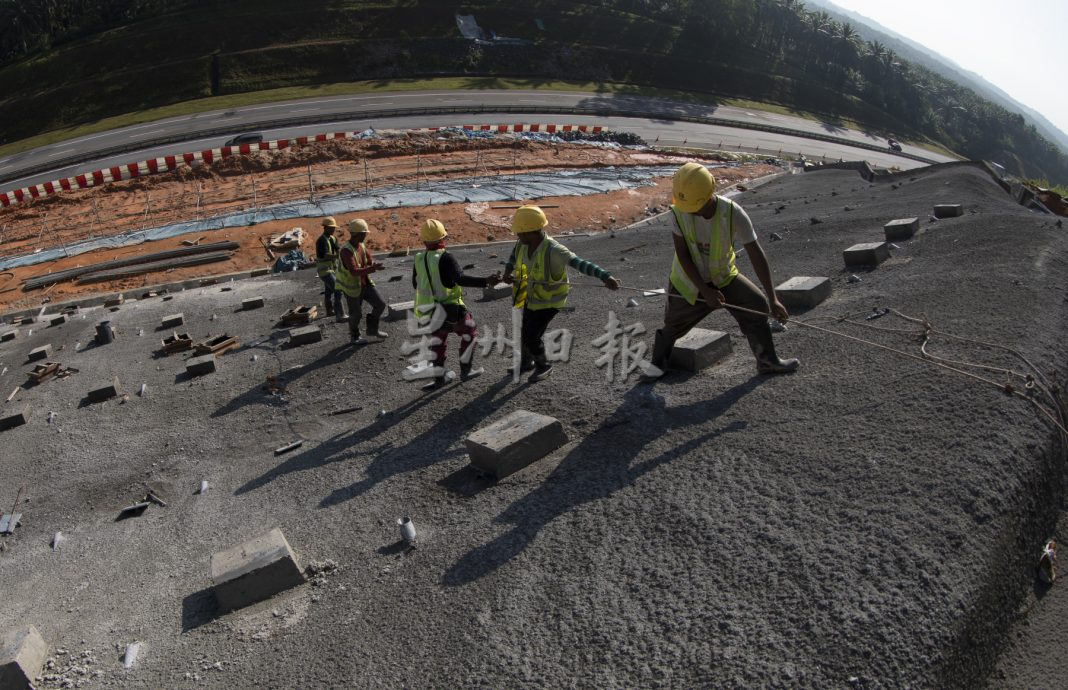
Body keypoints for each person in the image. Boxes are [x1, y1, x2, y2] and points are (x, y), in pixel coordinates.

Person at [647, 161, 799, 377]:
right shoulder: (678, 212)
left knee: (756, 305)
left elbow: (756, 253)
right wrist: (705, 290)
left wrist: (772, 297)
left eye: (696, 208)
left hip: (723, 276)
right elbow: (683, 255)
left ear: (710, 194)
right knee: (673, 325)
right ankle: (657, 367)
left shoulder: (732, 213)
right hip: (688, 282)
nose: (691, 213)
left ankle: (767, 361)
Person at [502, 205, 621, 382]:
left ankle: (544, 365)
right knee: (523, 331)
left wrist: (605, 276)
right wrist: (507, 272)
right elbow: (513, 257)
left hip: (548, 302)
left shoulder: (554, 250)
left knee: (531, 335)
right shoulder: (521, 244)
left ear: (529, 232)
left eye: (519, 232)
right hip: (528, 297)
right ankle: (527, 362)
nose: (517, 236)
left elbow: (580, 263)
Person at [411, 219, 500, 390]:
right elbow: (460, 279)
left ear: (424, 241)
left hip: (428, 311)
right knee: (470, 332)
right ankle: (466, 371)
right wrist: (486, 281)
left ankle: (440, 379)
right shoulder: (446, 257)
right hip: (450, 309)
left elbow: (416, 284)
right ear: (443, 238)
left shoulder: (419, 258)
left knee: (437, 342)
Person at [335, 218, 388, 346]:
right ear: (358, 234)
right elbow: (354, 271)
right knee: (356, 314)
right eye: (364, 233)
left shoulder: (361, 246)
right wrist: (372, 268)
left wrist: (375, 265)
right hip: (352, 288)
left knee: (380, 304)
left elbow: (369, 261)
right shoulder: (346, 251)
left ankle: (372, 330)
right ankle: (355, 336)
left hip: (365, 284)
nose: (366, 235)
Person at [315, 216, 345, 321]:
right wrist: (337, 256)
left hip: (332, 269)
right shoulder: (321, 241)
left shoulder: (333, 238)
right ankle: (340, 314)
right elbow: (326, 255)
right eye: (331, 228)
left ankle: (329, 311)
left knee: (328, 291)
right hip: (324, 270)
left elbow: (338, 249)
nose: (333, 230)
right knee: (338, 290)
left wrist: (339, 253)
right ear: (325, 227)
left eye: (334, 228)